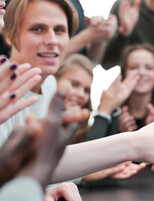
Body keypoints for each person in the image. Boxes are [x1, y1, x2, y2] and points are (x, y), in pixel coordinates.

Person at [0, 0, 154, 201]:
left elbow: (28, 166)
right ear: (9, 35)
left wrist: (42, 188)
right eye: (37, 29)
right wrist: (135, 142)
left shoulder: (50, 87)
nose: (52, 40)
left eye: (60, 30)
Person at [55, 54, 146, 182]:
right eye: (74, 84)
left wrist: (113, 107)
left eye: (86, 90)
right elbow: (85, 161)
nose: (81, 94)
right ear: (54, 80)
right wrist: (104, 111)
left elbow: (101, 155)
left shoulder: (75, 125)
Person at [117, 44, 154, 133]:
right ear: (124, 74)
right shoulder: (113, 112)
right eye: (133, 68)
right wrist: (120, 133)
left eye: (149, 68)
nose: (141, 72)